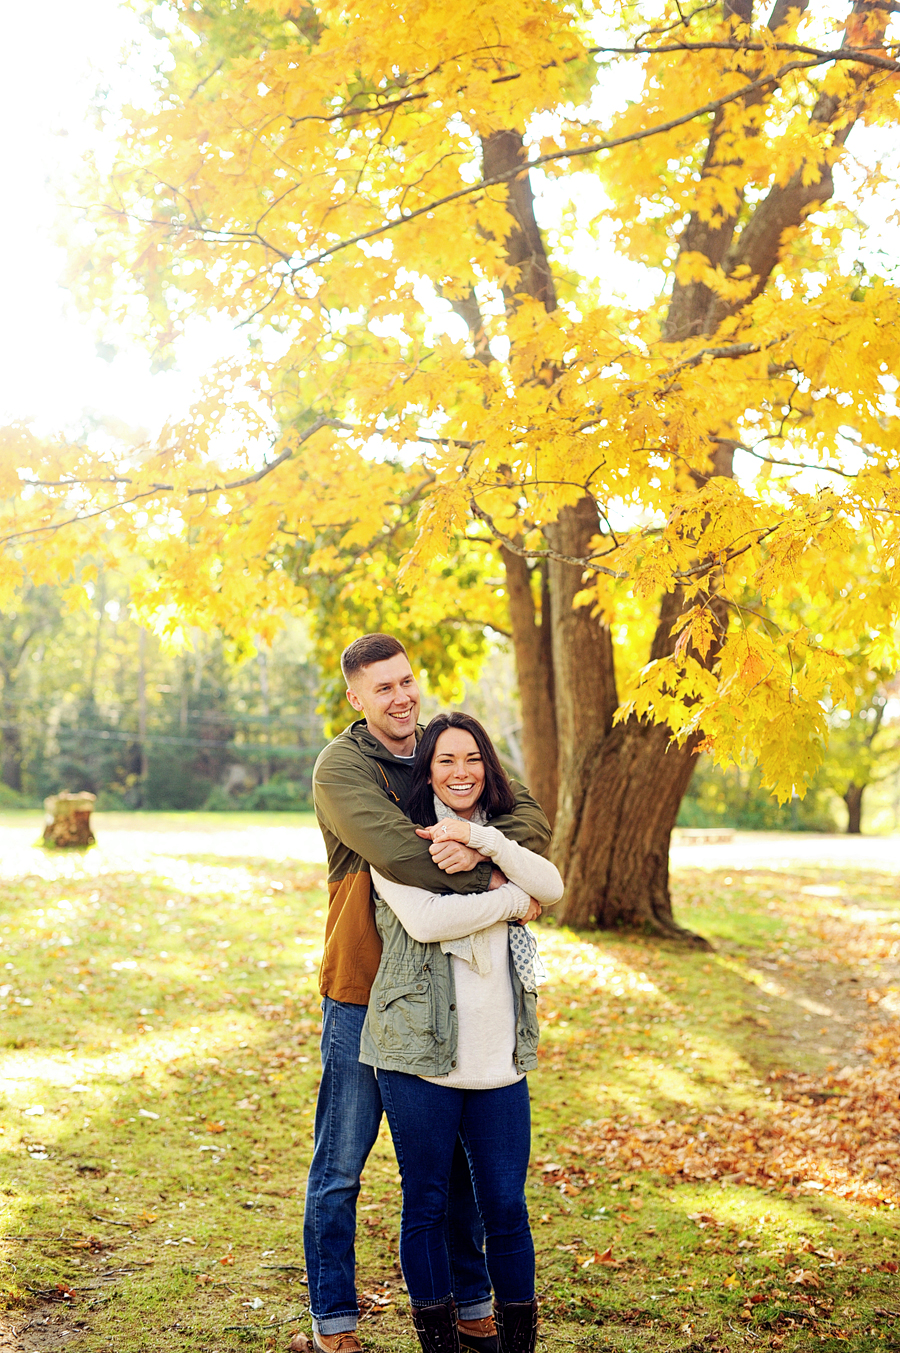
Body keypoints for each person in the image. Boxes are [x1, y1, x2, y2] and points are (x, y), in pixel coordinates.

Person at [303, 635, 552, 1353]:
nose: (401, 696)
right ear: (356, 698)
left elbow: (527, 819)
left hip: (444, 990)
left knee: (454, 1167)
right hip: (364, 984)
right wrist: (504, 881)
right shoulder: (341, 767)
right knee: (342, 1163)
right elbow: (403, 852)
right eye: (382, 688)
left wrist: (505, 854)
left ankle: (473, 1305)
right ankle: (335, 1323)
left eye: (406, 680)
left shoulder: (449, 745)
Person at [360, 711, 564, 1353]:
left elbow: (552, 885)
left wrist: (489, 848)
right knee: (425, 1202)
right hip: (419, 1054)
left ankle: (518, 1343)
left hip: (499, 1059)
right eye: (445, 760)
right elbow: (424, 920)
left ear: (488, 767)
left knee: (505, 1206)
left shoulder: (502, 837)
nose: (460, 772)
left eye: (472, 758)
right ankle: (441, 1344)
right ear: (428, 769)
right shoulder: (399, 841)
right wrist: (511, 900)